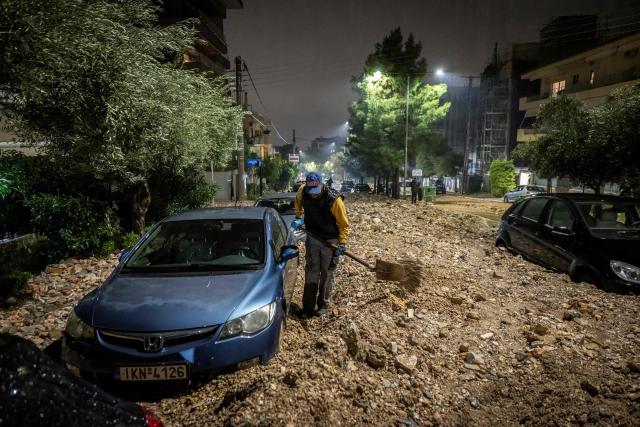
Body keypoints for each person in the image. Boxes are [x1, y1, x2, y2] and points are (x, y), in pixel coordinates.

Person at [291, 172, 349, 317]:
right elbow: (298, 202)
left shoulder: (334, 200)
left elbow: (343, 224)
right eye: (311, 192)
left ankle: (323, 305)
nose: (313, 195)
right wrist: (299, 217)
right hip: (313, 238)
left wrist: (342, 242)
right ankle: (308, 307)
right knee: (311, 271)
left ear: (322, 185)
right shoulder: (303, 191)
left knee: (327, 274)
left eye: (316, 191)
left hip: (330, 241)